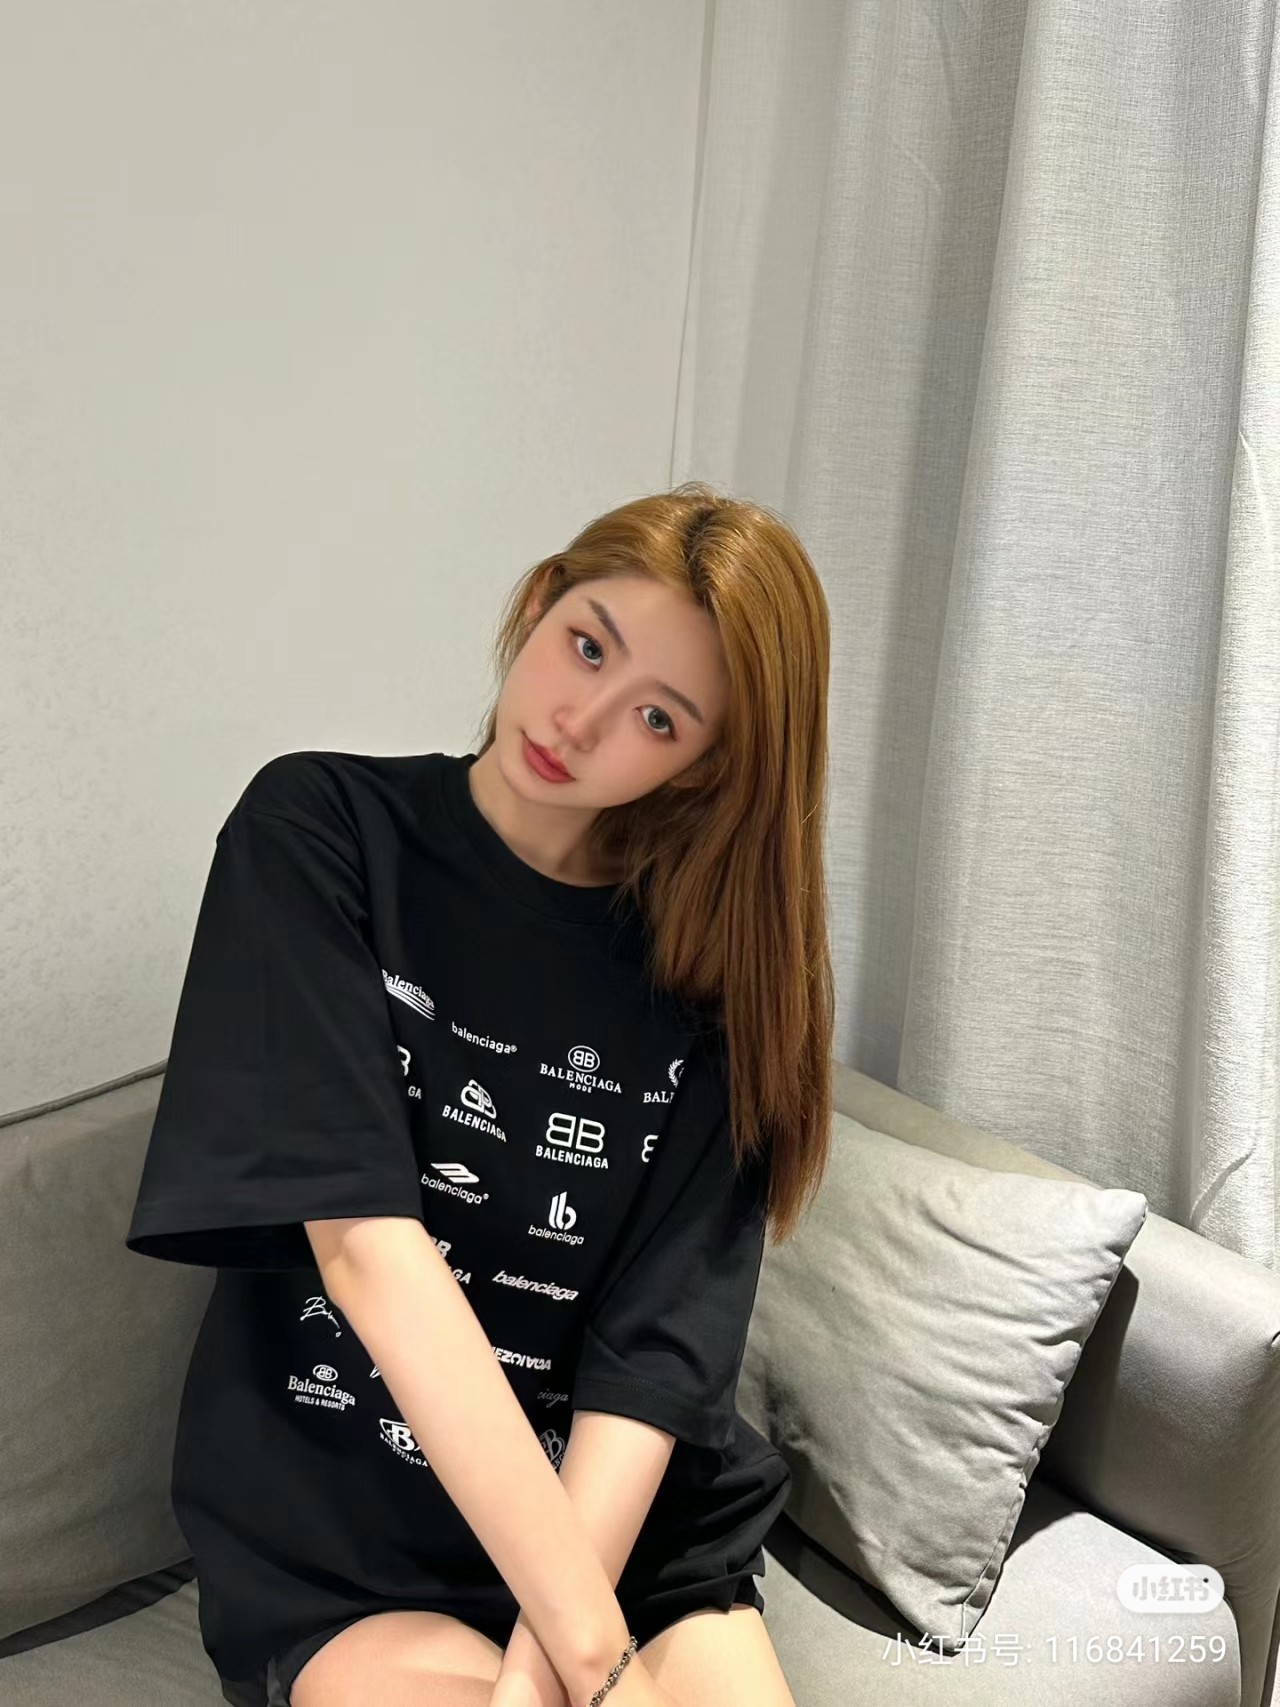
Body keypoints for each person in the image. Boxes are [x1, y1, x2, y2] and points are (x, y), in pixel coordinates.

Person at [125, 481, 835, 1707]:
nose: (579, 719)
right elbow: (366, 1255)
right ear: (542, 598)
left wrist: (565, 1665)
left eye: (656, 717)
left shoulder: (709, 982)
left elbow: (650, 1362)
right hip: (350, 1531)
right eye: (587, 645)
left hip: (620, 1543)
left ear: (702, 767)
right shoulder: (321, 834)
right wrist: (595, 1682)